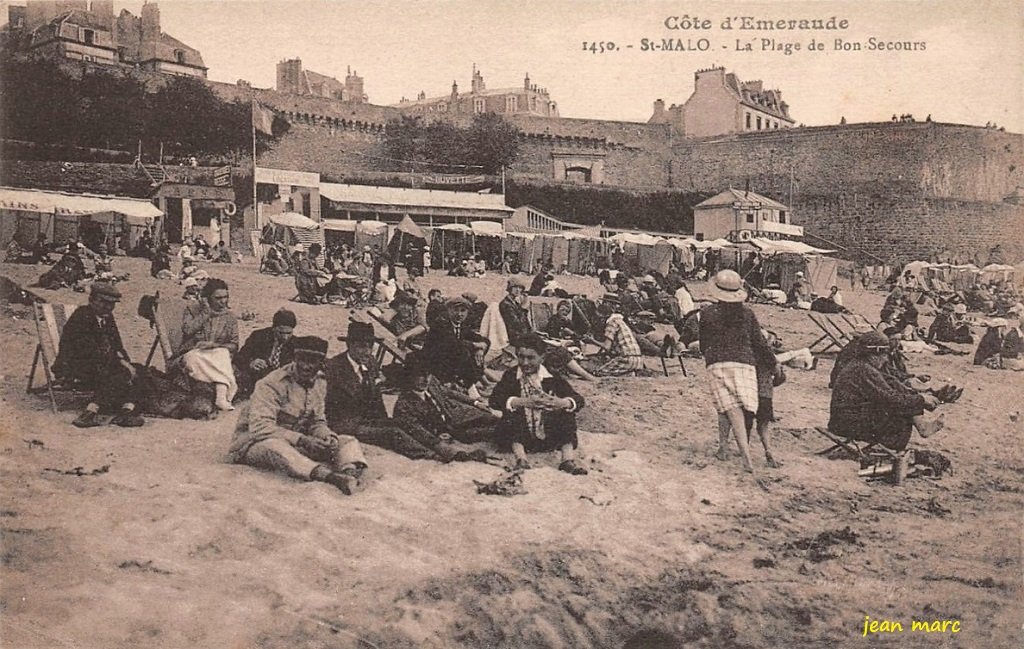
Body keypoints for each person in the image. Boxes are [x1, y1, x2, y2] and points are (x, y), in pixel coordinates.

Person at [228, 336, 368, 495]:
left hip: (297, 443)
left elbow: (317, 421)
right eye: (302, 359)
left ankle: (349, 473)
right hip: (254, 443)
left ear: (321, 364)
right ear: (295, 358)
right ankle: (330, 477)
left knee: (346, 440)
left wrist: (326, 436)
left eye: (312, 361)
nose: (306, 366)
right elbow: (260, 428)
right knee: (276, 447)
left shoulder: (320, 382)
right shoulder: (270, 384)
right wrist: (302, 439)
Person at [698, 270, 778, 480]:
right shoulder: (748, 313)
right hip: (744, 364)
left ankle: (739, 453)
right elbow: (760, 343)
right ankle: (730, 449)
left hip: (717, 362)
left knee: (726, 407)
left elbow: (702, 344)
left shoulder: (707, 313)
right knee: (738, 409)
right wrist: (773, 363)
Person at [325, 321, 444, 460]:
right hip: (345, 423)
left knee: (402, 422)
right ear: (349, 345)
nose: (367, 352)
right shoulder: (334, 367)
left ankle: (439, 446)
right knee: (391, 433)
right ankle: (431, 455)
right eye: (362, 347)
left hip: (368, 419)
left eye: (370, 347)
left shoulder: (371, 362)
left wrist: (383, 419)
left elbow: (376, 397)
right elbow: (327, 403)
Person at [829, 330, 945, 451]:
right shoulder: (865, 370)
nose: (885, 359)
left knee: (901, 393)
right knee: (901, 413)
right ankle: (894, 445)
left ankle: (922, 426)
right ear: (874, 354)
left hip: (844, 419)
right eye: (884, 355)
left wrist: (916, 397)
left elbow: (890, 383)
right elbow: (890, 398)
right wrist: (920, 400)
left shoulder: (861, 365)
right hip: (846, 424)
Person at [489, 333, 587, 474]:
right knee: (513, 413)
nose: (525, 362)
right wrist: (522, 402)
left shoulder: (551, 377)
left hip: (548, 436)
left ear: (542, 358)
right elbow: (495, 400)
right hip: (518, 437)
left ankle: (567, 460)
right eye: (521, 357)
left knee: (566, 414)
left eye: (530, 358)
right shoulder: (511, 376)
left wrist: (562, 402)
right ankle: (521, 459)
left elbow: (578, 399)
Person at [53, 282, 145, 428]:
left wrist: (124, 361)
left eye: (112, 304)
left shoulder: (107, 317)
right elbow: (86, 351)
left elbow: (117, 345)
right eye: (103, 302)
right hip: (75, 365)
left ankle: (127, 410)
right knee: (120, 373)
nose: (108, 307)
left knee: (140, 370)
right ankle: (90, 412)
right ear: (92, 300)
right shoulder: (81, 317)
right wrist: (121, 363)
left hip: (101, 363)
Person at [392, 354, 498, 463]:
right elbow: (419, 432)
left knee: (490, 417)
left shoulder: (431, 381)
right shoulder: (404, 405)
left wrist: (475, 402)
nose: (426, 380)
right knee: (493, 431)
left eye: (428, 375)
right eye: (420, 375)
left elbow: (449, 392)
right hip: (451, 432)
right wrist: (439, 438)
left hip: (454, 416)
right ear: (410, 377)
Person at [180, 278, 239, 411]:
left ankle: (221, 397)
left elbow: (234, 345)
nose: (223, 301)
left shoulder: (230, 316)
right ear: (207, 298)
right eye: (218, 298)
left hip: (217, 353)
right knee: (193, 358)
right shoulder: (192, 310)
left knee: (222, 353)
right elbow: (188, 330)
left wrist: (214, 344)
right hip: (195, 352)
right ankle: (221, 391)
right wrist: (205, 313)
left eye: (225, 297)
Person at [421, 296, 491, 388]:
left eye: (463, 311)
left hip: (448, 363)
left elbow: (484, 340)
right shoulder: (441, 324)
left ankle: (472, 383)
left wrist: (480, 349)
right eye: (455, 310)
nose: (459, 314)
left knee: (470, 350)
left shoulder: (462, 326)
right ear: (449, 311)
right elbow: (452, 343)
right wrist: (476, 345)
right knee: (463, 350)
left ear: (467, 313)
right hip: (434, 364)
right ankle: (468, 385)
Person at [235, 309, 298, 399]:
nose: (285, 337)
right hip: (258, 379)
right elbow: (239, 357)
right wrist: (251, 362)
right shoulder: (259, 336)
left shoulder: (296, 344)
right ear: (273, 328)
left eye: (289, 333)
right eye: (280, 333)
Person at [586, 294, 644, 377]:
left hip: (627, 359)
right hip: (638, 360)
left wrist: (591, 340)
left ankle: (627, 374)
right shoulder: (620, 320)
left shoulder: (611, 323)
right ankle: (627, 373)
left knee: (597, 373)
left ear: (604, 317)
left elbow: (607, 346)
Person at [499, 278, 532, 344]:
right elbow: (516, 324)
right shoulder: (505, 304)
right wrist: (523, 308)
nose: (518, 290)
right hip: (514, 337)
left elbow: (524, 321)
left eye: (520, 288)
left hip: (521, 334)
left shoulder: (515, 303)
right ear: (510, 288)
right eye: (515, 287)